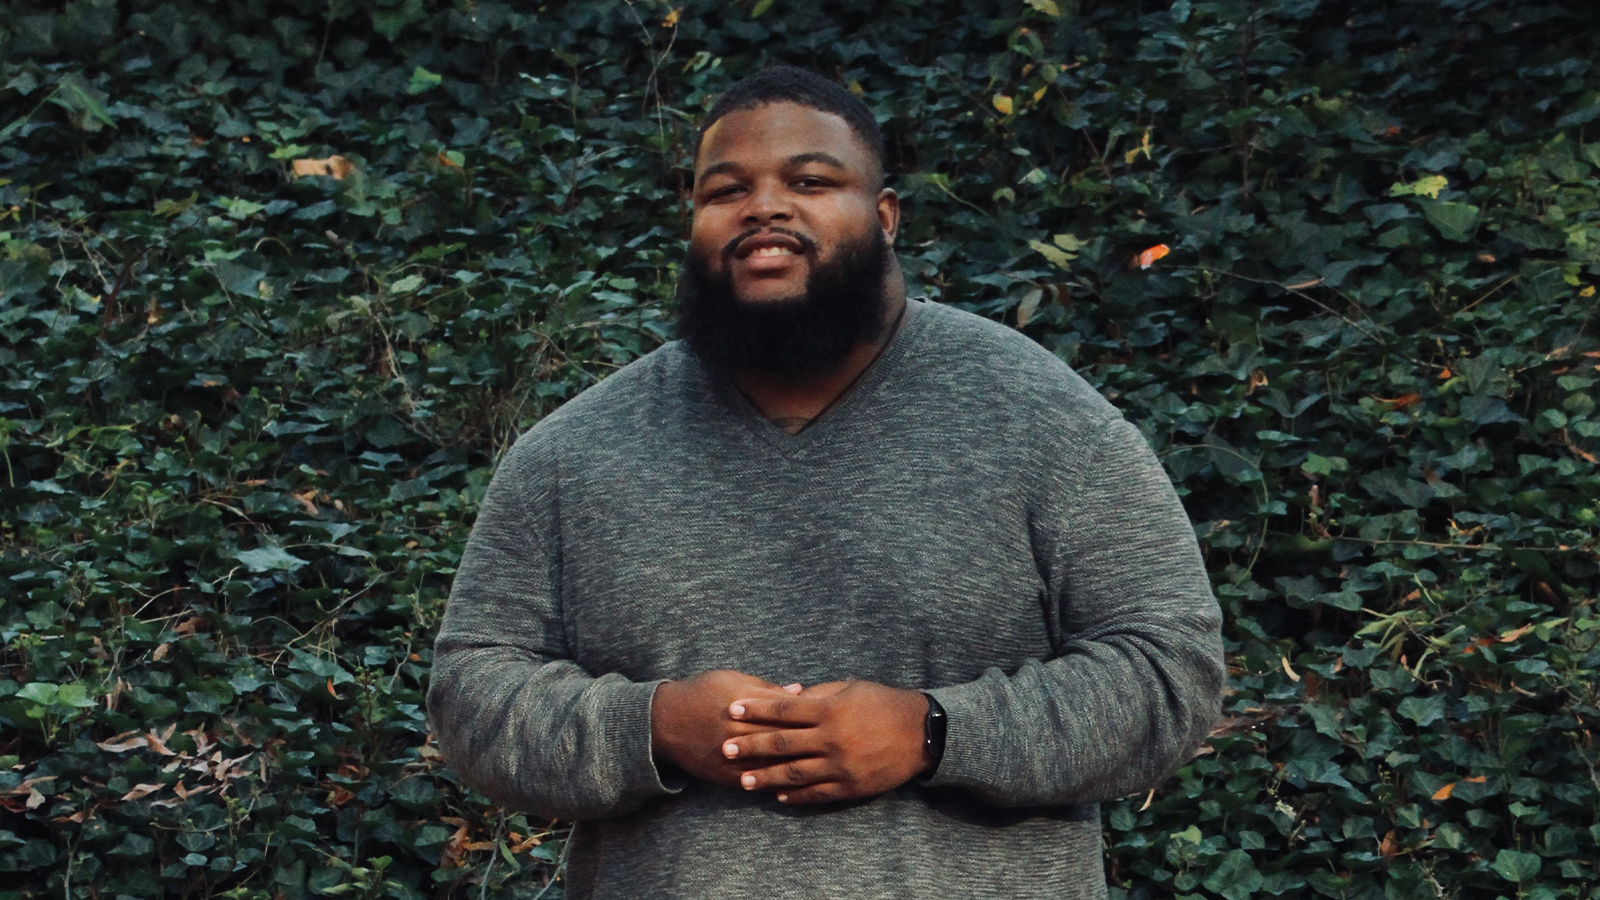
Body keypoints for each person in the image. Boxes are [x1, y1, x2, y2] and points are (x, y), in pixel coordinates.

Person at [428, 66, 1224, 900]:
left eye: (810, 180)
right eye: (725, 189)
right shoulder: (573, 453)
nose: (764, 207)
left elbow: (1169, 668)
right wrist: (655, 726)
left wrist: (934, 731)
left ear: (884, 217)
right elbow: (474, 695)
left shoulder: (1043, 419)